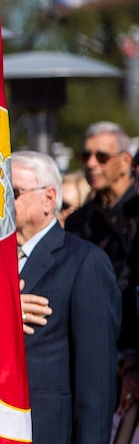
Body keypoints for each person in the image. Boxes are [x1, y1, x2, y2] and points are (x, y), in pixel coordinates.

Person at [14, 150, 120, 444]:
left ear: (48, 198)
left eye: (14, 191)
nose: (2, 199)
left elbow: (96, 361)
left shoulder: (83, 261)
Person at [63, 122, 138, 353]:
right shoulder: (79, 221)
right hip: (92, 342)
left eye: (102, 156)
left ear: (126, 160)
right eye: (85, 156)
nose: (91, 164)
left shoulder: (136, 214)